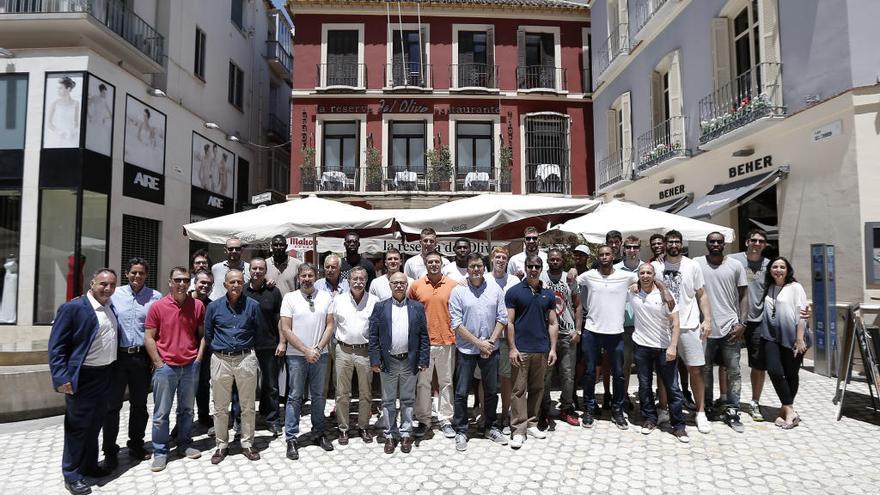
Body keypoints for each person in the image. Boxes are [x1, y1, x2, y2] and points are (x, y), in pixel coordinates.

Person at [49, 269, 118, 495]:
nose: (108, 289)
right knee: (77, 428)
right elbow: (57, 347)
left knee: (95, 424)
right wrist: (61, 377)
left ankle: (89, 465)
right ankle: (72, 474)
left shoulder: (109, 307)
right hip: (84, 377)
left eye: (112, 285)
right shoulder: (73, 308)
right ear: (92, 283)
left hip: (105, 375)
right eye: (103, 284)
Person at [144, 267, 206, 471]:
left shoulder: (197, 306)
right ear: (170, 282)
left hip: (189, 366)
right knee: (161, 413)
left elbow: (202, 335)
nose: (182, 284)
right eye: (178, 280)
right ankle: (160, 451)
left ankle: (185, 444)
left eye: (186, 280)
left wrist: (198, 358)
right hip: (166, 368)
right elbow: (149, 337)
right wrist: (158, 363)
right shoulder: (157, 307)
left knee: (187, 410)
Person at [102, 258, 161, 469]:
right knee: (112, 406)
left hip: (141, 358)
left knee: (139, 405)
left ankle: (136, 444)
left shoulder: (155, 297)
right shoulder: (114, 295)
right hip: (117, 357)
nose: (137, 276)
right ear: (127, 273)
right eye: (134, 272)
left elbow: (159, 329)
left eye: (141, 273)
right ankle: (109, 450)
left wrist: (155, 357)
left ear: (147, 275)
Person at [653, 230, 713, 434]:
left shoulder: (692, 266)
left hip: (689, 325)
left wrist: (708, 319)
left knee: (695, 370)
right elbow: (644, 282)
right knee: (663, 373)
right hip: (662, 328)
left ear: (682, 244)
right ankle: (663, 410)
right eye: (670, 241)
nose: (674, 245)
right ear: (664, 244)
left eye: (677, 241)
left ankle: (700, 412)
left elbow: (701, 294)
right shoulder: (656, 266)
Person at [449, 253, 509, 450]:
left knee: (491, 390)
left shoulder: (495, 289)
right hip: (466, 349)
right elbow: (456, 324)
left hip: (491, 348)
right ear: (467, 268)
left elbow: (502, 317)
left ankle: (490, 426)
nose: (476, 269)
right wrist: (478, 343)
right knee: (461, 391)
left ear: (485, 267)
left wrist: (489, 342)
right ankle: (461, 429)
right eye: (472, 266)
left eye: (480, 266)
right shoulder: (458, 291)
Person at [576, 245, 638, 430]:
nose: (604, 257)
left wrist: (642, 285)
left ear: (614, 256)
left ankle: (617, 410)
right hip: (592, 331)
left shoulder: (625, 276)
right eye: (601, 254)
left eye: (607, 254)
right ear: (598, 257)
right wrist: (571, 271)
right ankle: (589, 408)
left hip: (616, 332)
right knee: (589, 373)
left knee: (618, 374)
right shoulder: (589, 275)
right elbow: (572, 280)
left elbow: (647, 277)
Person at [204, 270, 261, 464]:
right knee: (220, 406)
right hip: (220, 359)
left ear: (243, 283)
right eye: (232, 282)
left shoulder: (253, 306)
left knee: (247, 405)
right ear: (225, 284)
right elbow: (208, 333)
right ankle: (221, 445)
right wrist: (221, 350)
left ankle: (247, 443)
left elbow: (258, 331)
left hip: (245, 358)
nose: (235, 285)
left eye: (239, 282)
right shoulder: (213, 307)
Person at [369, 272, 430, 454]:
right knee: (387, 401)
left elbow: (424, 337)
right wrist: (375, 359)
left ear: (407, 285)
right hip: (388, 362)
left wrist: (423, 359)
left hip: (409, 361)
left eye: (402, 283)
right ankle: (389, 435)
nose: (398, 286)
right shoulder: (380, 307)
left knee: (408, 400)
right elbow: (373, 336)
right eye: (395, 283)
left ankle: (405, 434)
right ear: (389, 285)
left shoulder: (417, 307)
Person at [280, 263, 335, 460]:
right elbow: (286, 328)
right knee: (294, 396)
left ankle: (319, 432)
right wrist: (305, 350)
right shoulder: (290, 298)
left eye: (310, 275)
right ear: (298, 278)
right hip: (296, 355)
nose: (307, 279)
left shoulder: (326, 297)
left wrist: (318, 349)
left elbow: (330, 325)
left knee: (319, 396)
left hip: (320, 354)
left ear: (315, 276)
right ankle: (291, 438)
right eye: (303, 275)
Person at [629, 263, 688, 443]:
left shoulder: (665, 297)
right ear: (638, 275)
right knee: (644, 386)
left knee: (673, 388)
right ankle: (650, 419)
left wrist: (673, 346)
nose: (645, 276)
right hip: (641, 346)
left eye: (649, 273)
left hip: (664, 347)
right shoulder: (632, 291)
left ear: (654, 275)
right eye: (642, 273)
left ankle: (678, 426)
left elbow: (676, 323)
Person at [697, 232, 748, 432]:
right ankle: (708, 406)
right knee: (705, 370)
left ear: (724, 243)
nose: (716, 244)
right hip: (705, 327)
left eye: (719, 241)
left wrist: (743, 322)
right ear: (707, 243)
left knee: (734, 370)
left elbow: (744, 294)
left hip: (730, 327)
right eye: (712, 241)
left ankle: (733, 409)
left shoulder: (735, 265)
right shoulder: (697, 263)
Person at [505, 255, 557, 449]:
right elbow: (509, 322)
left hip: (541, 349)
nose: (533, 269)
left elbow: (553, 323)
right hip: (521, 350)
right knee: (519, 390)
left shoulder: (548, 294)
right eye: (530, 266)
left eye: (537, 266)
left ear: (541, 268)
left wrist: (552, 349)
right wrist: (512, 348)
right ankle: (518, 429)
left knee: (538, 388)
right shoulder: (514, 292)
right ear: (525, 268)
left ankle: (533, 423)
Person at [408, 251, 458, 438]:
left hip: (447, 340)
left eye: (437, 261)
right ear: (426, 264)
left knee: (446, 382)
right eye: (430, 262)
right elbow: (411, 312)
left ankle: (445, 419)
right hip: (424, 343)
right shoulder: (416, 286)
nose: (434, 265)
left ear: (442, 264)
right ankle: (424, 419)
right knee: (423, 383)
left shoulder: (453, 285)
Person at [761, 257, 809, 429]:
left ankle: (786, 410)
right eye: (775, 267)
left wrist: (799, 338)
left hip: (792, 337)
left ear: (788, 270)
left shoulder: (795, 288)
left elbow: (801, 314)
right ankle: (790, 411)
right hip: (770, 336)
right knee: (774, 370)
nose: (778, 270)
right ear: (770, 270)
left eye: (782, 267)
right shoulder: (770, 287)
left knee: (791, 374)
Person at [332, 267, 378, 445]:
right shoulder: (339, 300)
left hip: (365, 351)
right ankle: (343, 428)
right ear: (349, 281)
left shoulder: (374, 301)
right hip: (343, 350)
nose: (358, 282)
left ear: (366, 281)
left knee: (366, 392)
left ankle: (363, 426)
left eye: (361, 279)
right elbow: (332, 324)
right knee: (342, 392)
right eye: (354, 279)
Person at [729, 228, 771, 421]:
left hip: (757, 320)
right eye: (753, 240)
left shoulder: (770, 266)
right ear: (747, 242)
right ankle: (727, 400)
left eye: (761, 241)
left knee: (758, 364)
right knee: (727, 363)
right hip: (732, 319)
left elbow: (786, 285)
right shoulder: (732, 260)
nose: (756, 243)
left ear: (765, 245)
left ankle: (754, 401)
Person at [538, 248, 579, 429]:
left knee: (568, 374)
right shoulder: (540, 279)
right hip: (545, 334)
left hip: (567, 333)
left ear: (563, 260)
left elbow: (578, 305)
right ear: (547, 260)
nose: (555, 262)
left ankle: (567, 408)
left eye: (558, 259)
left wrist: (578, 330)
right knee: (545, 375)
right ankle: (544, 409)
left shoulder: (569, 279)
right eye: (552, 259)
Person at [243, 258, 284, 436]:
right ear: (249, 270)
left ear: (266, 271)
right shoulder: (241, 290)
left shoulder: (273, 291)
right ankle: (244, 420)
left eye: (261, 269)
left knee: (271, 385)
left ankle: (272, 419)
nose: (257, 271)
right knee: (246, 385)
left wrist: (282, 341)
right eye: (254, 268)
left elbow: (280, 319)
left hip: (269, 344)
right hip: (246, 345)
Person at [488, 246, 520, 433]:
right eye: (497, 257)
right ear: (492, 259)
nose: (500, 260)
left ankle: (505, 415)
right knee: (487, 379)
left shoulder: (514, 280)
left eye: (503, 257)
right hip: (489, 337)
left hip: (508, 338)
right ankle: (487, 415)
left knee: (506, 379)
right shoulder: (483, 278)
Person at [613, 235, 643, 413]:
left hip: (644, 324)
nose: (632, 250)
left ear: (639, 248)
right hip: (623, 324)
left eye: (635, 247)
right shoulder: (615, 270)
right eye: (629, 247)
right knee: (624, 365)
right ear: (624, 248)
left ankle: (644, 397)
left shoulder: (647, 268)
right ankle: (623, 398)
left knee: (643, 365)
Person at [191, 270, 216, 428]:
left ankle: (203, 415)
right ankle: (181, 423)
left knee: (203, 385)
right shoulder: (185, 301)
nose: (205, 286)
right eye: (202, 282)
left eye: (209, 284)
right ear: (195, 283)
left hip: (204, 352)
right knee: (184, 389)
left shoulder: (211, 305)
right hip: (183, 351)